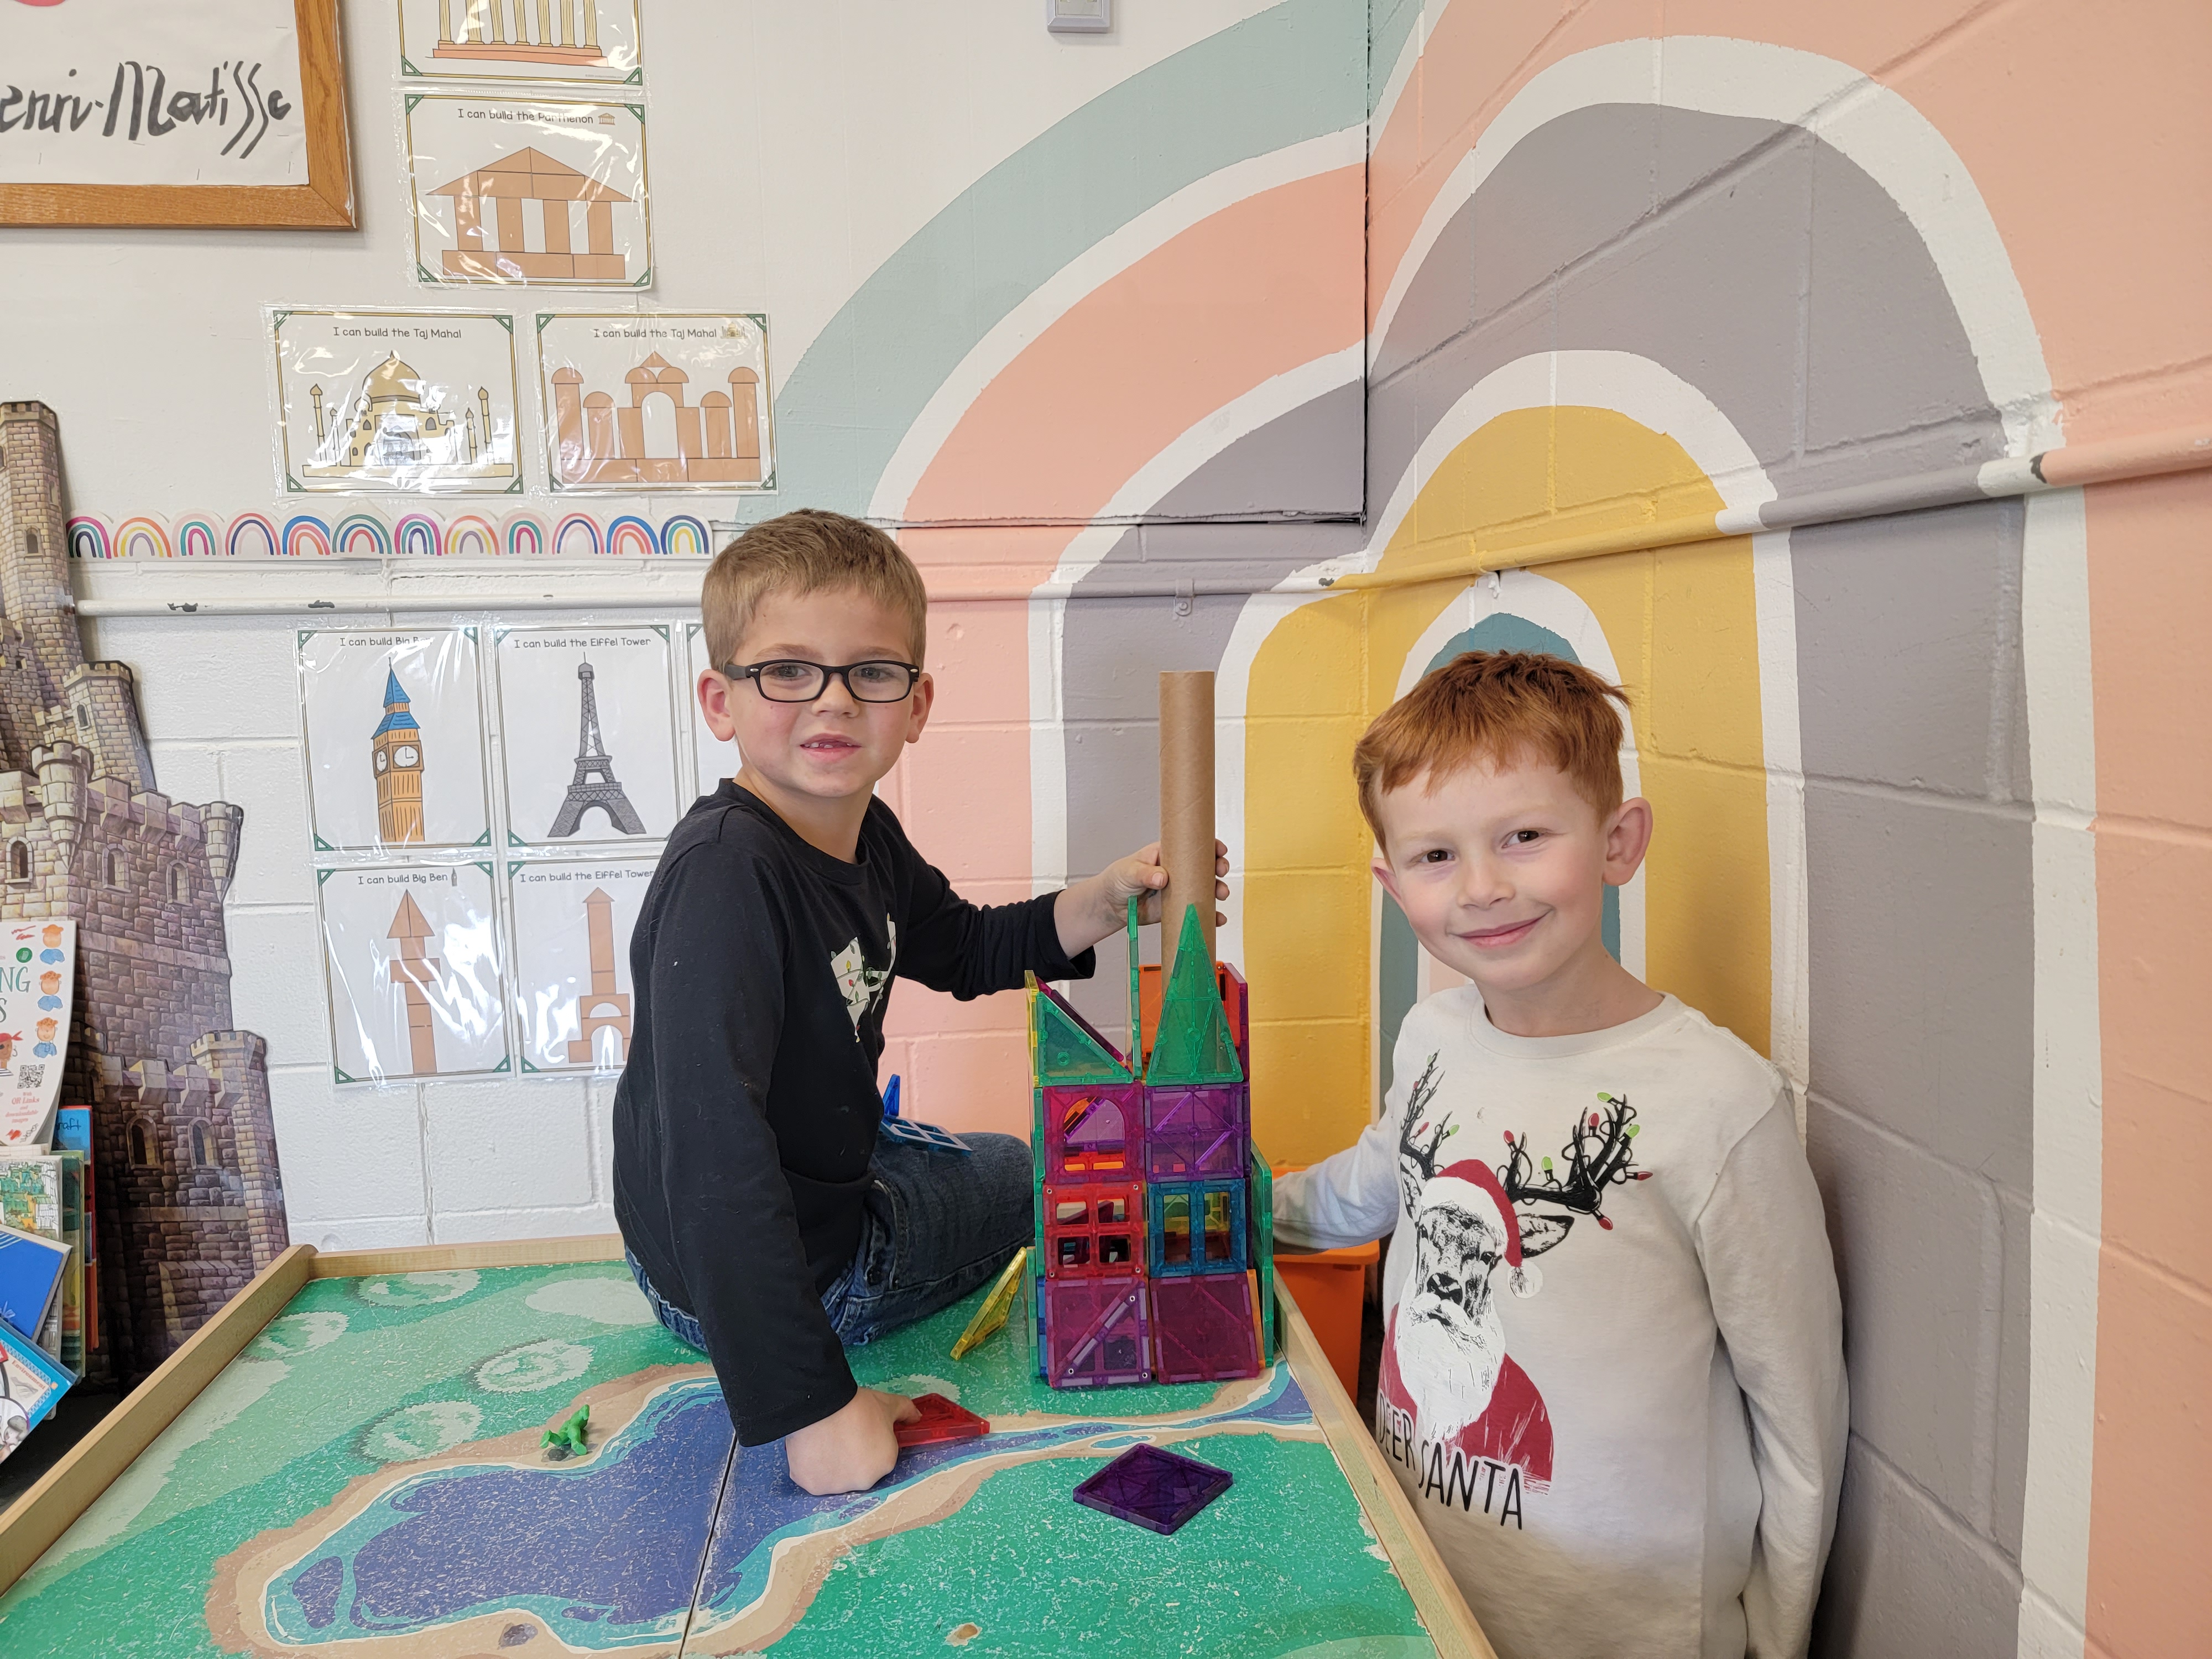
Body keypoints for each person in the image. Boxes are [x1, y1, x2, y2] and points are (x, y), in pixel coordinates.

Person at [613, 509, 1223, 1498]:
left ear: (918, 701)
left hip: (785, 1201)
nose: (834, 699)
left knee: (974, 1158)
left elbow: (970, 947)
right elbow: (713, 1158)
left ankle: (884, 1185)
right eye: (788, 670)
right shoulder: (725, 879)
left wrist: (1107, 899)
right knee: (1032, 1176)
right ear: (720, 700)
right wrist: (813, 1411)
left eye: (871, 672)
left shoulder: (866, 835)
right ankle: (841, 1301)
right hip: (777, 1270)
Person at [1276, 650, 1845, 1659]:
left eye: (1525, 837)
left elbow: (1799, 1415)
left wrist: (1779, 1633)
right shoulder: (1435, 1035)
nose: (1484, 888)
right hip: (1424, 1580)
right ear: (1389, 881)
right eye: (1436, 856)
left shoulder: (1717, 1104)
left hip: (1629, 1630)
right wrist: (1217, 1201)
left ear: (1619, 843)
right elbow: (1373, 1184)